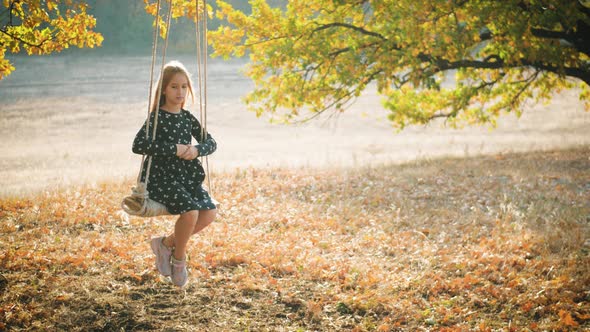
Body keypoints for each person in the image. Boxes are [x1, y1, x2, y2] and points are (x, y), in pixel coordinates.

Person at [132, 60, 217, 288]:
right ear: (163, 90)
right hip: (162, 178)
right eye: (174, 87)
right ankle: (179, 260)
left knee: (209, 213)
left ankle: (165, 244)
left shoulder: (187, 118)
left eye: (183, 87)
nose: (179, 92)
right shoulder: (156, 118)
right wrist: (174, 149)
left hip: (186, 178)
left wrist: (197, 150)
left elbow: (211, 142)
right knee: (190, 213)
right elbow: (138, 144)